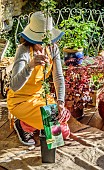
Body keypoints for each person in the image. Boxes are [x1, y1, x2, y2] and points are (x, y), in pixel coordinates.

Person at [7, 11, 65, 146]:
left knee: (62, 131)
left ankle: (32, 124)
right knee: (53, 128)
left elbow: (58, 77)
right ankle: (21, 124)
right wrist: (30, 65)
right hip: (20, 100)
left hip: (41, 97)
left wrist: (60, 102)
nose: (44, 44)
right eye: (40, 40)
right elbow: (14, 85)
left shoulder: (53, 48)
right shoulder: (24, 50)